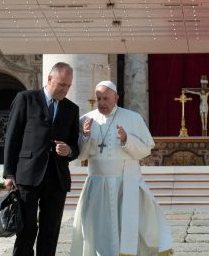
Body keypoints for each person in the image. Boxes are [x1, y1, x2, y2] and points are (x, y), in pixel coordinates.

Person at [71, 81, 172, 256]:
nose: (102, 103)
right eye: (99, 98)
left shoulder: (133, 118)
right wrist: (86, 137)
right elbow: (81, 156)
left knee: (128, 226)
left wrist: (126, 139)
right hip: (97, 185)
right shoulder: (86, 120)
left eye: (106, 98)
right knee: (98, 228)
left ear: (116, 97)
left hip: (126, 184)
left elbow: (146, 149)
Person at [3, 62, 80, 256]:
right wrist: (9, 173)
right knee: (26, 229)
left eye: (68, 86)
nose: (65, 89)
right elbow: (12, 137)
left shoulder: (72, 109)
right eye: (62, 84)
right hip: (27, 175)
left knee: (50, 231)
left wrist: (69, 150)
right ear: (49, 79)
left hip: (57, 178)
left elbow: (76, 146)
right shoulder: (25, 99)